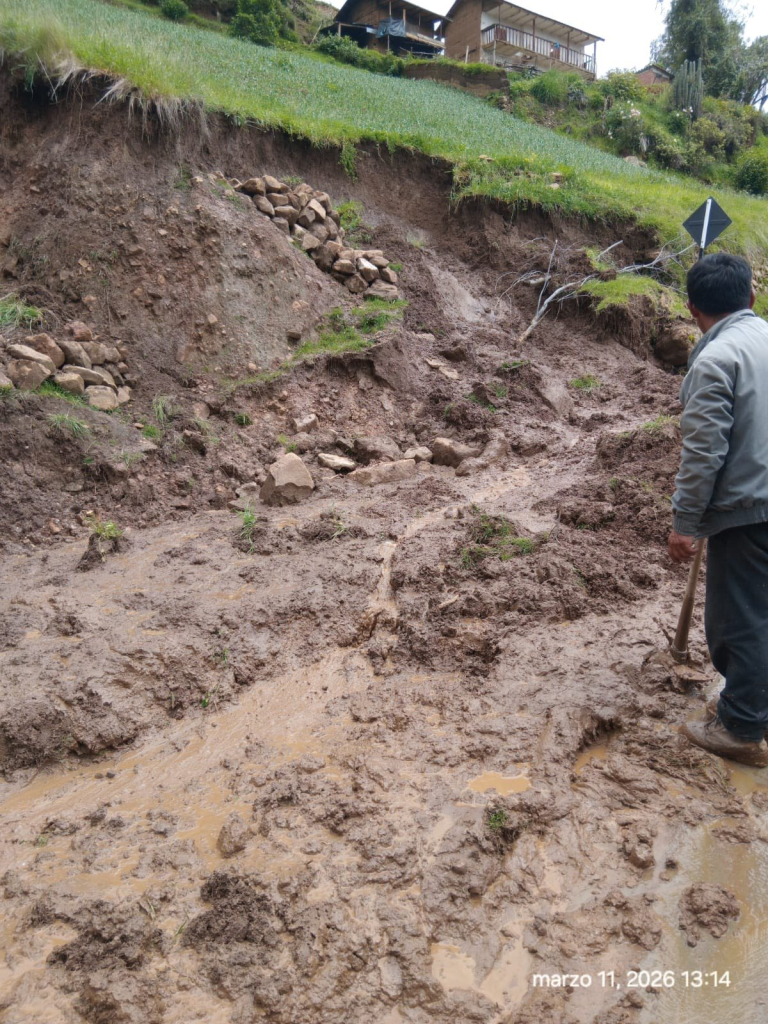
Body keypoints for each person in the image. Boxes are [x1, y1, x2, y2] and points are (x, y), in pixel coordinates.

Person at [669, 252, 768, 767]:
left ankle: (742, 727)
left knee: (741, 619)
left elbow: (703, 453)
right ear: (751, 295)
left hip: (751, 510)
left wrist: (685, 523)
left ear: (692, 309)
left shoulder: (715, 361)